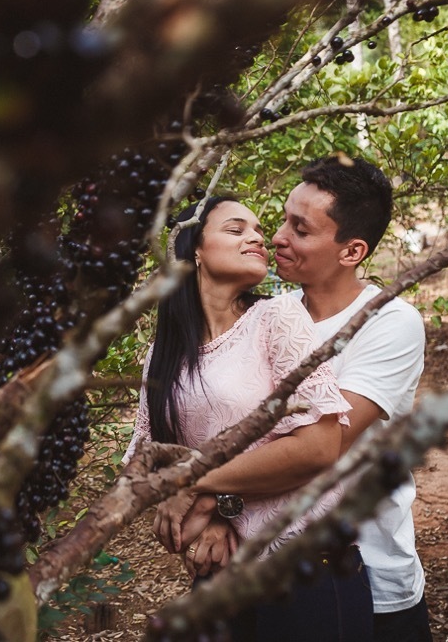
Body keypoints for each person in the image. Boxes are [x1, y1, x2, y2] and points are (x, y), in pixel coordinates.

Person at [123, 196, 372, 642]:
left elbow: (318, 448)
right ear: (195, 251)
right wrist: (215, 514)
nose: (258, 238)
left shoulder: (278, 317)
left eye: (257, 230)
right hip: (220, 576)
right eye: (236, 230)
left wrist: (194, 484)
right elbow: (144, 468)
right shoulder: (163, 356)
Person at [271, 155, 432, 642]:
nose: (277, 237)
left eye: (300, 229)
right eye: (283, 220)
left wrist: (206, 490)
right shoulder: (271, 316)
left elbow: (320, 447)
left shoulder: (390, 323)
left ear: (352, 251)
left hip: (372, 580)